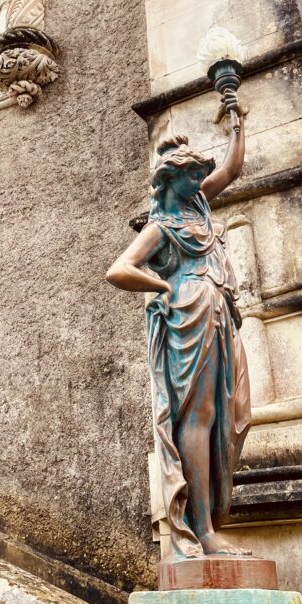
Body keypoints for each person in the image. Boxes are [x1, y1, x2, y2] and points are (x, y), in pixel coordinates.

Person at [106, 89, 251, 559]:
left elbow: (230, 170)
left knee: (234, 414)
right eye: (190, 174)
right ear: (171, 179)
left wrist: (236, 125)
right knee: (200, 415)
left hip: (219, 309)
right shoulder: (163, 225)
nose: (199, 180)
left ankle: (210, 522)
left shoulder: (199, 208)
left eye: (198, 174)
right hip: (191, 310)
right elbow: (119, 269)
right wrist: (165, 289)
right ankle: (202, 530)